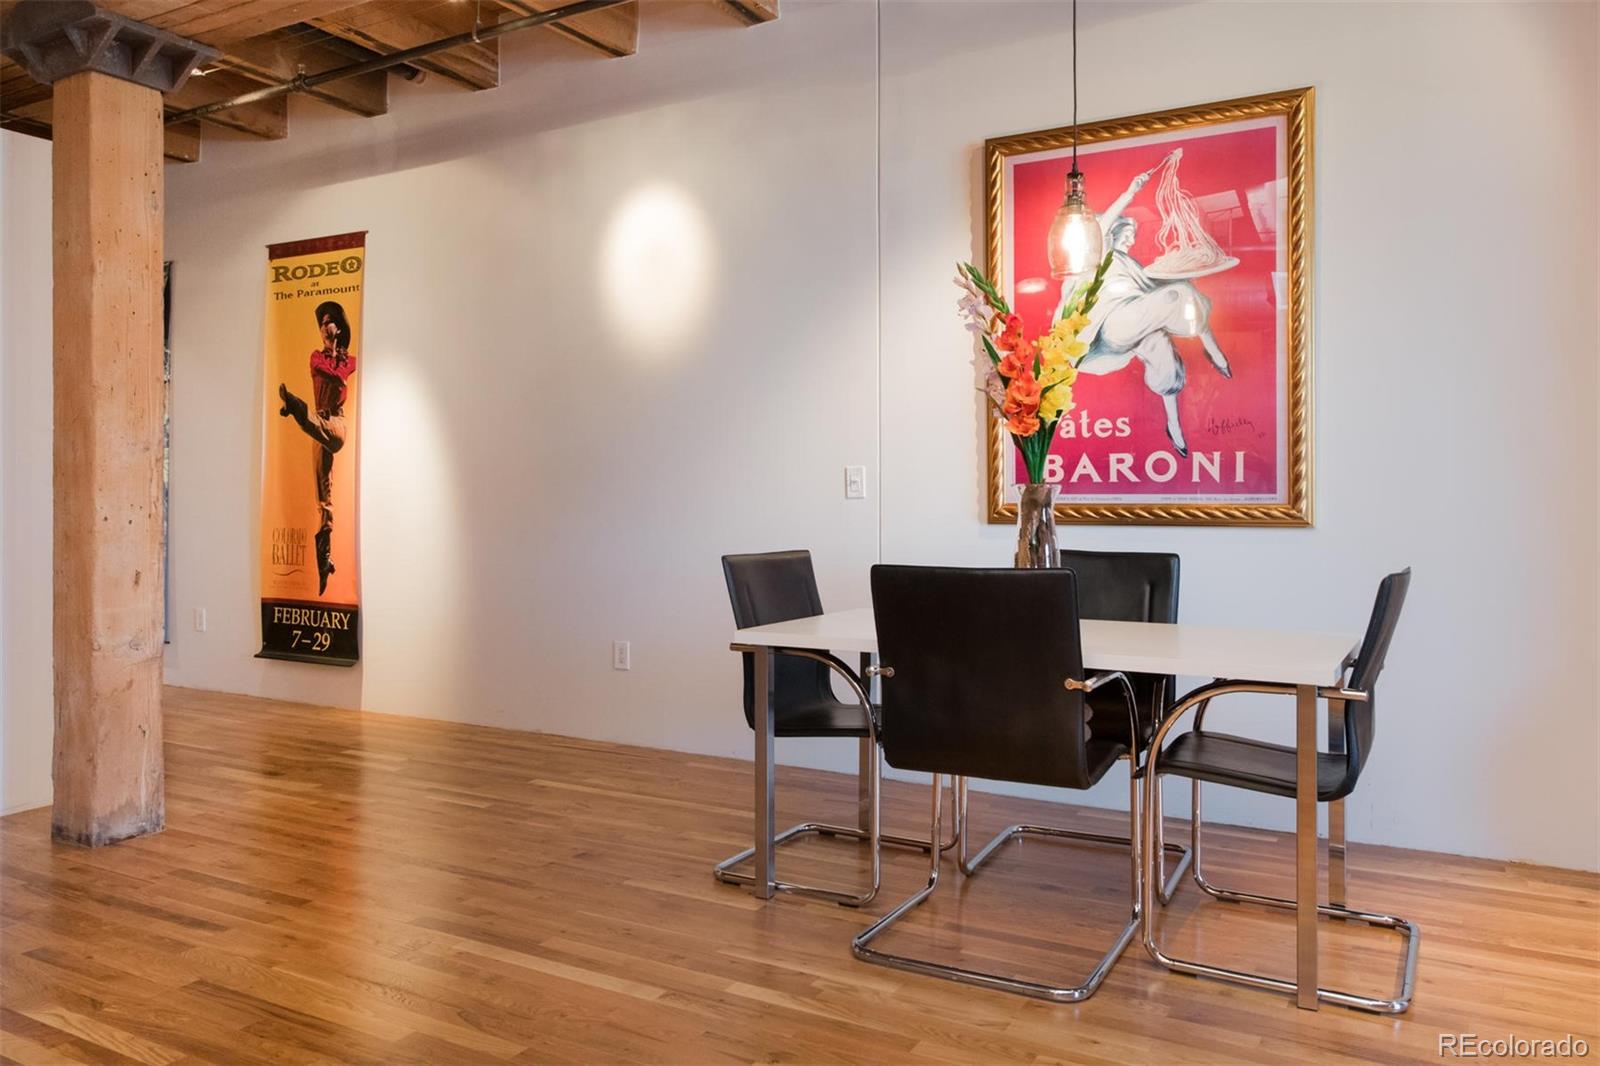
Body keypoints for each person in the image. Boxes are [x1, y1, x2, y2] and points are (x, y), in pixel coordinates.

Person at [1055, 154, 1233, 457]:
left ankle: (1174, 426)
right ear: (1113, 235)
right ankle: (1213, 351)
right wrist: (1130, 192)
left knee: (1165, 354)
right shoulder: (1098, 256)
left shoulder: (1132, 265)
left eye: (1133, 235)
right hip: (1112, 324)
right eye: (1128, 234)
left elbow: (1153, 286)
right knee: (1177, 295)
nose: (1133, 238)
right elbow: (1103, 225)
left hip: (1135, 321)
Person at [278, 301, 356, 595]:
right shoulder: (315, 356)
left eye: (329, 321)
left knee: (326, 433)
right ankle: (325, 562)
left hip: (334, 424)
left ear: (339, 326)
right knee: (323, 498)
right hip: (317, 425)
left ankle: (298, 411)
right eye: (321, 323)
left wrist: (337, 351)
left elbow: (340, 374)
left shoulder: (350, 361)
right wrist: (332, 353)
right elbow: (324, 369)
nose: (324, 327)